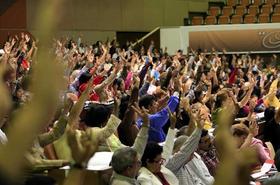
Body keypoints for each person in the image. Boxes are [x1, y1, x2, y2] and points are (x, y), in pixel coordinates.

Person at [110, 106, 150, 185]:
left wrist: (145, 124)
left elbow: (138, 148)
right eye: (138, 163)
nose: (140, 164)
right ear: (128, 169)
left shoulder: (120, 172)